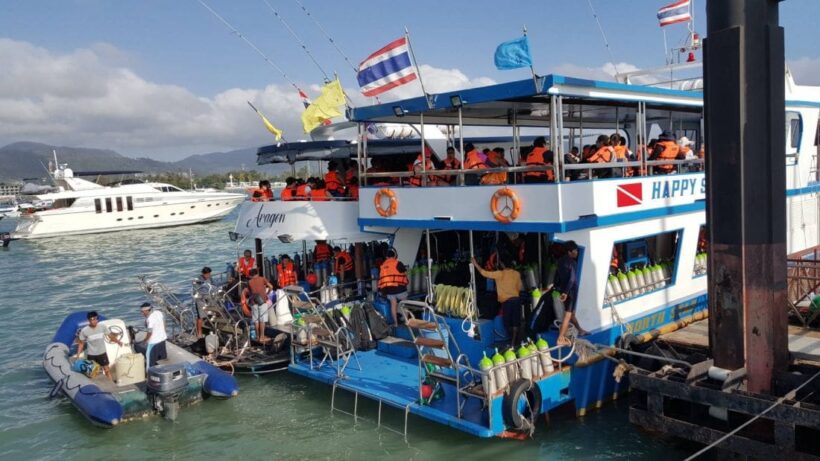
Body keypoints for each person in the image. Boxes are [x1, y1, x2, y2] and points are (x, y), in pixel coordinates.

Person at [472, 256, 523, 346]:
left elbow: (484, 273)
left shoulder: (500, 274)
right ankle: (515, 342)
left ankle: (512, 342)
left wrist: (475, 264)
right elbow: (519, 288)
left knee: (508, 323)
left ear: (502, 264)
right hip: (516, 300)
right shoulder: (517, 274)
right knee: (516, 322)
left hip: (507, 302)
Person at [553, 241, 588, 346]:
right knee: (568, 315)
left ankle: (580, 330)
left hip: (563, 289)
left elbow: (557, 277)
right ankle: (560, 338)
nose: (577, 252)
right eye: (575, 250)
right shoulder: (572, 263)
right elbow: (572, 279)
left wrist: (560, 290)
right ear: (569, 252)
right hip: (570, 291)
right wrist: (566, 292)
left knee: (572, 313)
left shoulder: (560, 261)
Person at [75, 311, 122, 380]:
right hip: (91, 354)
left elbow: (110, 336)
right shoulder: (84, 331)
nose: (93, 321)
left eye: (95, 319)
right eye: (91, 320)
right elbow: (81, 344)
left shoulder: (102, 327)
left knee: (107, 370)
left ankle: (111, 384)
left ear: (97, 319)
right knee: (93, 373)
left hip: (102, 353)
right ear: (88, 320)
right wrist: (78, 355)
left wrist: (118, 341)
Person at [378, 248, 409, 325]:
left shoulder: (383, 266)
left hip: (389, 290)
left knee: (393, 305)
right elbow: (405, 272)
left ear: (386, 257)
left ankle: (395, 323)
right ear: (394, 256)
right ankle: (406, 321)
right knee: (404, 303)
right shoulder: (398, 263)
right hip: (400, 288)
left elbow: (381, 278)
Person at [135, 303, 168, 368]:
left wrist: (145, 340)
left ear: (147, 311)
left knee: (150, 361)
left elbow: (150, 332)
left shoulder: (149, 319)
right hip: (162, 339)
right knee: (162, 358)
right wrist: (163, 332)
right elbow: (164, 322)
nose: (142, 314)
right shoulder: (158, 312)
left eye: (142, 312)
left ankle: (149, 373)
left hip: (153, 342)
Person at [247, 268, 273, 342]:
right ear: (257, 273)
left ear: (251, 275)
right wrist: (267, 294)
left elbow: (250, 292)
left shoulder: (249, 282)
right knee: (262, 320)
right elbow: (271, 286)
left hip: (253, 302)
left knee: (256, 320)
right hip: (262, 301)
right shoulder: (262, 279)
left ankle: (258, 337)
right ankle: (262, 337)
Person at [193, 266, 216, 337]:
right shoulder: (197, 280)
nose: (208, 276)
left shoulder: (210, 278)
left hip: (209, 297)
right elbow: (196, 290)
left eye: (209, 274)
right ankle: (199, 333)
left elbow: (214, 286)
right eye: (207, 274)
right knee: (201, 316)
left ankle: (212, 329)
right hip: (200, 299)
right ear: (203, 273)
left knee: (214, 312)